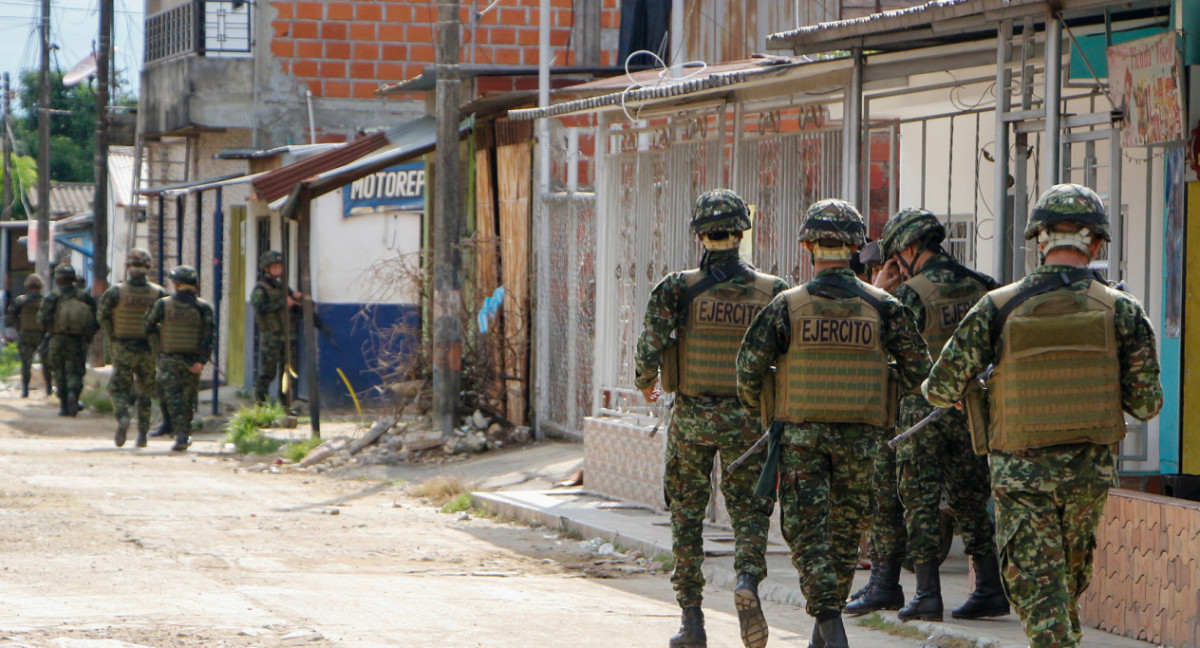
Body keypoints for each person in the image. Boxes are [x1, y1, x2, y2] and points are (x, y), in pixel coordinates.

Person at [923, 184, 1162, 648]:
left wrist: (973, 388)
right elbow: (1147, 404)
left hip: (1021, 471)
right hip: (1086, 473)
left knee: (1041, 592)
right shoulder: (1122, 310)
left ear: (1039, 240)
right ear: (1095, 243)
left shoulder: (998, 306)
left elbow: (939, 387)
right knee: (1062, 589)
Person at [737, 199, 930, 648]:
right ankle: (822, 634)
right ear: (857, 247)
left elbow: (748, 368)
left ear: (808, 245)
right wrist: (884, 386)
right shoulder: (885, 307)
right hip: (863, 439)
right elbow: (921, 372)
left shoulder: (787, 306)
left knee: (808, 535)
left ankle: (831, 626)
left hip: (802, 435)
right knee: (844, 538)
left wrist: (764, 411)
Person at [635, 189, 786, 648]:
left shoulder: (677, 287)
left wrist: (650, 386)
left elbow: (648, 351)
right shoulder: (773, 291)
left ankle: (692, 621)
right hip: (749, 419)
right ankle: (746, 580)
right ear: (741, 232)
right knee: (750, 512)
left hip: (693, 419)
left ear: (700, 234)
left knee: (686, 517)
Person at [857, 208, 1007, 621]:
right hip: (972, 409)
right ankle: (990, 588)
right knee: (972, 499)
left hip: (921, 415)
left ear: (907, 248)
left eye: (894, 257)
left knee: (919, 502)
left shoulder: (908, 295)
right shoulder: (983, 287)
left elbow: (875, 348)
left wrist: (877, 290)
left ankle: (927, 594)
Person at [99, 249, 168, 448]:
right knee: (145, 392)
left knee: (118, 388)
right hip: (147, 349)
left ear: (129, 267)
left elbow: (102, 316)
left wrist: (112, 338)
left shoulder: (115, 292)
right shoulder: (159, 293)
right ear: (148, 267)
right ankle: (142, 435)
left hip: (123, 347)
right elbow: (165, 320)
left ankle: (123, 417)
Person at [145, 266, 215, 452]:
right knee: (188, 398)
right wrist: (202, 360)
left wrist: (157, 347)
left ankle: (179, 433)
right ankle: (183, 432)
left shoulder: (163, 304)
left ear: (176, 284)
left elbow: (148, 325)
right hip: (192, 360)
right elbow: (208, 337)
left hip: (169, 358)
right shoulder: (203, 307)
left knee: (172, 396)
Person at [37, 264, 98, 416]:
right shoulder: (84, 296)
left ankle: (64, 405)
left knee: (60, 372)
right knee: (75, 371)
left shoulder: (52, 297)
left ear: (57, 279)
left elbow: (41, 319)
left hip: (57, 339)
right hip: (77, 340)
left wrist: (48, 329)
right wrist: (88, 334)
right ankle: (73, 394)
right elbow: (96, 318)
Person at [251, 250, 301, 406]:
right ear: (266, 268)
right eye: (275, 267)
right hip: (271, 337)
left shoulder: (283, 287)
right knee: (267, 373)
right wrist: (282, 303)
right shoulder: (261, 289)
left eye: (280, 267)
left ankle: (285, 405)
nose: (278, 270)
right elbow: (260, 308)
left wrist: (297, 300)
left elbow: (294, 308)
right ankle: (261, 405)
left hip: (287, 335)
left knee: (288, 372)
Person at [6, 274, 51, 398]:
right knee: (46, 362)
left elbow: (11, 314)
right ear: (41, 286)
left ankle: (25, 389)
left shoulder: (21, 300)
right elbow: (51, 317)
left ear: (27, 286)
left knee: (26, 363)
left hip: (25, 334)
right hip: (42, 335)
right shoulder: (46, 301)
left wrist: (18, 327)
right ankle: (49, 388)